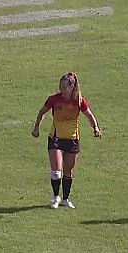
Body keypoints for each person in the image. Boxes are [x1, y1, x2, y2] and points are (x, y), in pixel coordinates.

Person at [32, 72, 102, 209]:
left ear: (72, 87)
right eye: (60, 86)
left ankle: (65, 199)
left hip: (72, 140)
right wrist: (36, 128)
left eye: (65, 87)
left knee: (68, 172)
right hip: (56, 138)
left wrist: (95, 128)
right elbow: (42, 112)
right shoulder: (54, 99)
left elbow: (89, 115)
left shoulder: (79, 101)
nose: (62, 89)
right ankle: (55, 197)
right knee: (56, 170)